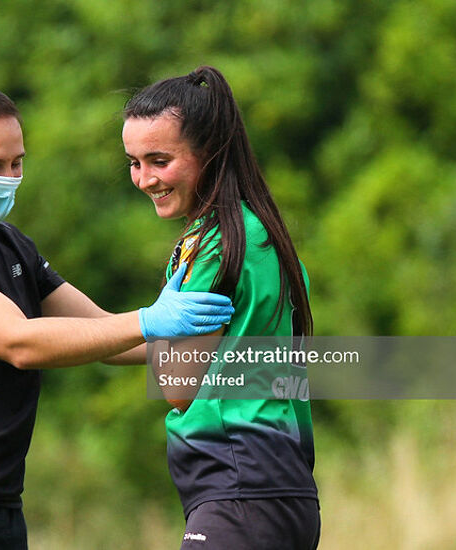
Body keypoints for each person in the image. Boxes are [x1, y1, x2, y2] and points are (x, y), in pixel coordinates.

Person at [0, 81, 234, 549]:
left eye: (17, 163)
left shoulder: (9, 242)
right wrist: (149, 318)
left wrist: (232, 348)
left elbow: (104, 335)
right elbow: (20, 342)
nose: (9, 177)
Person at [122, 65, 320, 549]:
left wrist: (153, 324)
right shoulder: (264, 233)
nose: (145, 179)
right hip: (285, 491)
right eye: (133, 162)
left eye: (159, 161)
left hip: (237, 491)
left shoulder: (214, 245)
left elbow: (178, 387)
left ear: (209, 153)